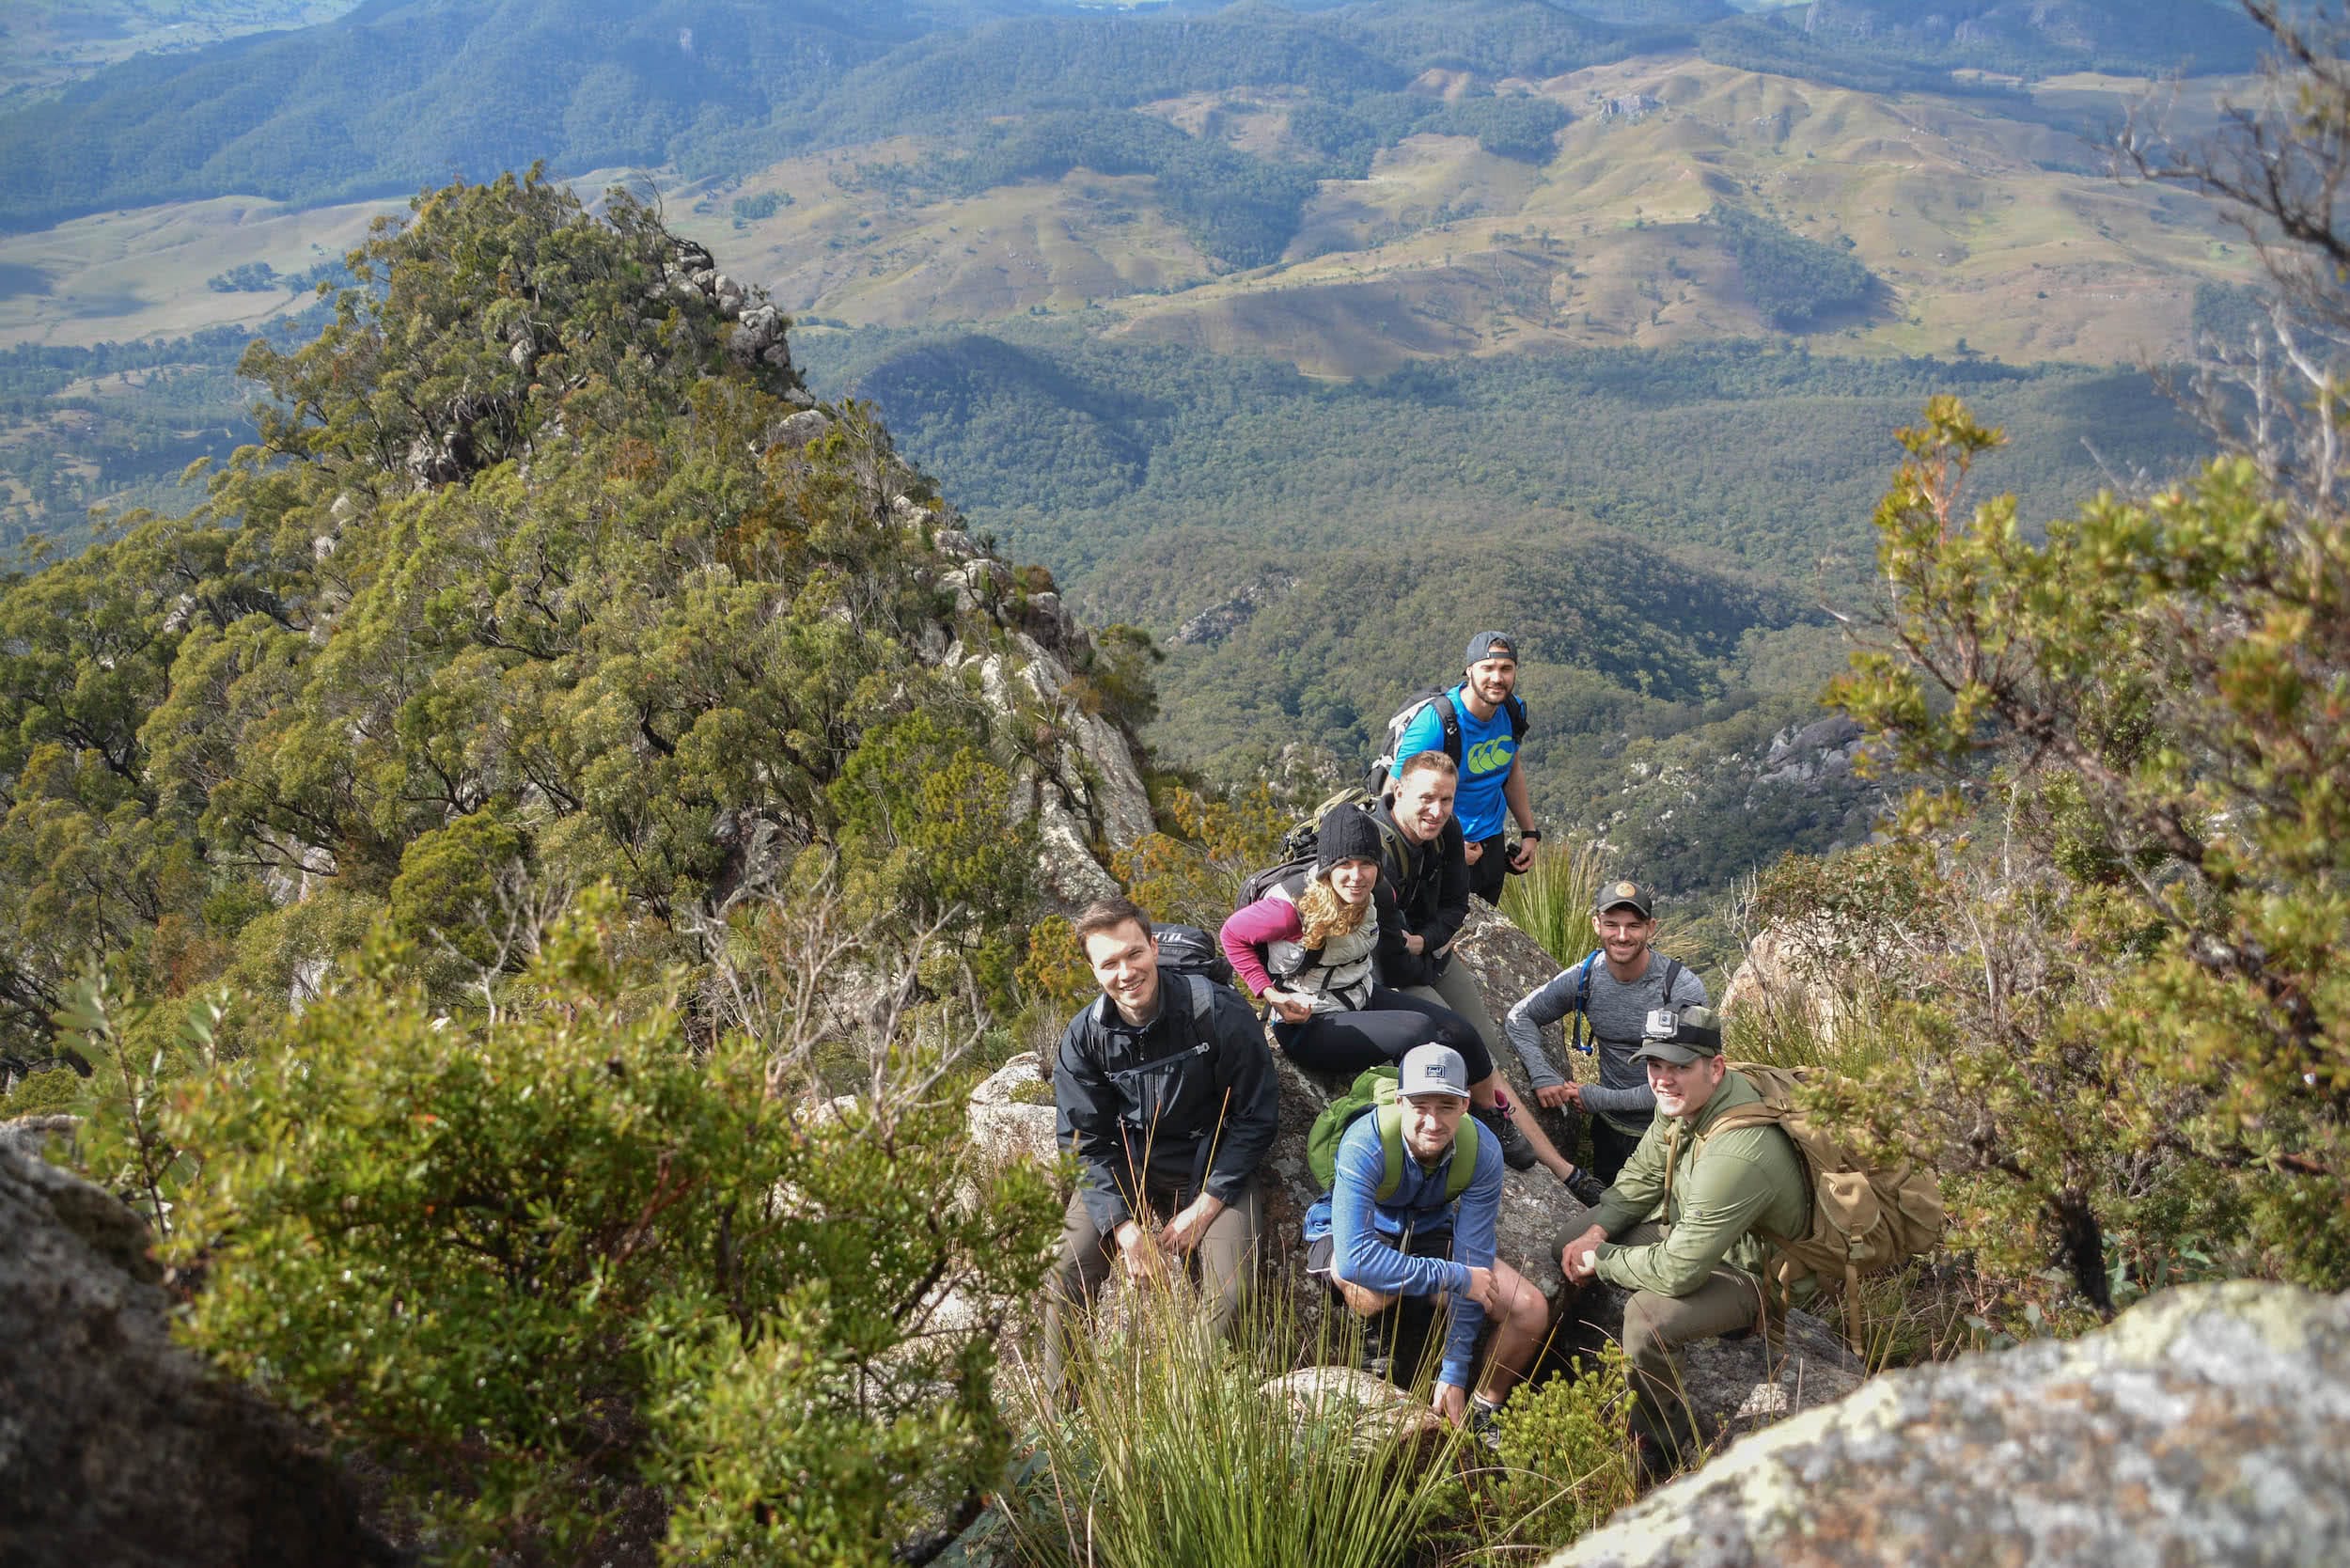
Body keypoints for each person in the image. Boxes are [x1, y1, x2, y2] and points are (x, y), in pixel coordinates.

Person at [1556, 1006, 1809, 1482]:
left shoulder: (1740, 1150)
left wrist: (1604, 1259)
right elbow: (1644, 1175)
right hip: (1697, 1233)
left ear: (1716, 1068)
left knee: (1647, 1319)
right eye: (1655, 1065)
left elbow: (1679, 1270)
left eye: (1679, 1066)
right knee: (1569, 1242)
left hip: (1752, 1271)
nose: (1663, 1079)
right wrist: (1596, 1233)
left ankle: (1663, 1443)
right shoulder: (1681, 1102)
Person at [1043, 897, 1279, 1395]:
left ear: (1153, 947)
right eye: (1109, 963)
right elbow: (1084, 1142)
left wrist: (1205, 1207)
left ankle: (1191, 1405)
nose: (1126, 973)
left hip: (1212, 1162)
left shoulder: (1216, 1011)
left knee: (1231, 1290)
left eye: (1134, 954)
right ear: (1094, 971)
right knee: (1066, 1270)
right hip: (1130, 1166)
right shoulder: (1085, 1038)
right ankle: (1061, 1418)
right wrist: (1124, 1229)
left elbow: (1256, 1115)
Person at [1222, 806, 1539, 1168]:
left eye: (1366, 864)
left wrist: (1424, 961)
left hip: (1359, 995)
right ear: (1326, 867)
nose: (1356, 876)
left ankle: (1490, 1115)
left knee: (1461, 1031)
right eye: (1344, 865)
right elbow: (1232, 935)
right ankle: (1415, 1139)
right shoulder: (1291, 910)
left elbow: (1391, 946)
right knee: (1418, 1032)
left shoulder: (1379, 893)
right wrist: (1271, 994)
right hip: (1309, 1022)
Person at [1371, 751, 1596, 1196]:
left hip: (1429, 954)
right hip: (1393, 971)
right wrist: (1420, 949)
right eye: (1426, 798)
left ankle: (1498, 1115)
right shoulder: (1376, 849)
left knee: (1488, 1047)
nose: (1437, 811)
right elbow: (1390, 955)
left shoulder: (1448, 830)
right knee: (1464, 1047)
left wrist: (1425, 942)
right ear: (1398, 791)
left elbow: (1457, 906)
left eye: (1447, 800)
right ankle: (1561, 1169)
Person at [1308, 1043, 1552, 1437]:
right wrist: (1453, 1278)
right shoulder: (1364, 1142)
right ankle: (1376, 1351)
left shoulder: (1482, 1151)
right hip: (1357, 1233)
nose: (1433, 1122)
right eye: (1420, 1106)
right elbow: (1356, 1260)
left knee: (1529, 1308)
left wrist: (1454, 1370)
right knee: (1372, 1291)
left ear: (1466, 1105)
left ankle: (1483, 1408)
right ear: (1400, 1102)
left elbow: (1474, 1258)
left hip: (1427, 1232)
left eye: (1446, 1106)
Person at [1503, 878, 1707, 1184]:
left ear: (1650, 928)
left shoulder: (1680, 989)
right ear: (1597, 925)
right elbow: (1520, 1017)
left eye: (1633, 926)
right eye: (1612, 924)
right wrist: (1542, 1073)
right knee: (1609, 1209)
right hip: (1610, 1135)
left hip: (1675, 1129)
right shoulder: (1586, 977)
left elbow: (1689, 1084)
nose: (1622, 936)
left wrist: (1601, 1099)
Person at [1390, 631, 1538, 907]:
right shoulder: (1435, 723)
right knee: (1442, 929)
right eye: (1487, 668)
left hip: (1491, 845)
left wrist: (1529, 832)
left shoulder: (1512, 711)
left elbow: (1511, 772)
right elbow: (1393, 795)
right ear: (1469, 670)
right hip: (1441, 850)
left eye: (1506, 668)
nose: (1497, 677)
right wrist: (1447, 846)